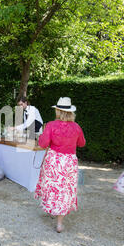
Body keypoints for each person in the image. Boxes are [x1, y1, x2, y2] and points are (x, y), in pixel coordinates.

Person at [34, 97, 86, 233]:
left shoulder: (51, 125)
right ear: (71, 113)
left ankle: (52, 209)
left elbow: (42, 144)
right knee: (65, 190)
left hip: (54, 160)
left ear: (57, 111)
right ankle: (60, 224)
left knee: (52, 187)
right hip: (69, 162)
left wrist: (42, 134)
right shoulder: (77, 127)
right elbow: (82, 143)